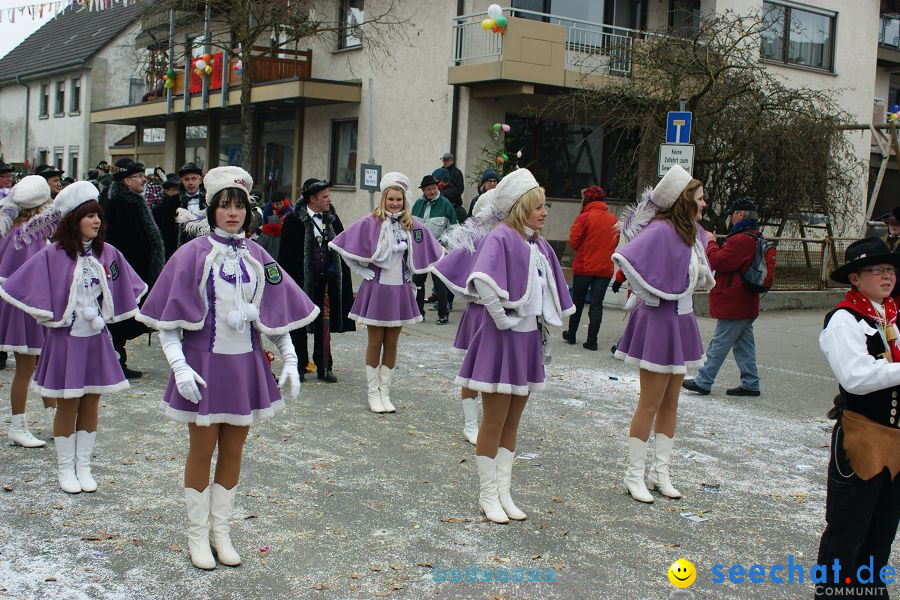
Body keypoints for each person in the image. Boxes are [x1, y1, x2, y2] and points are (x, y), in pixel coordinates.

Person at [137, 166, 318, 570]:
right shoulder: (191, 253)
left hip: (245, 366)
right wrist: (180, 367)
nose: (232, 213)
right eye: (224, 205)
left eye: (238, 205)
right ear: (212, 209)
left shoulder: (258, 255)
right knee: (201, 449)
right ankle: (197, 535)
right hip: (202, 366)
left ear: (247, 210)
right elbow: (170, 322)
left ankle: (223, 531)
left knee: (235, 449)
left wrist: (289, 355)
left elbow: (273, 313)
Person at [0, 181, 147, 493]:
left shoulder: (107, 253)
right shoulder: (52, 255)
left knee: (92, 402)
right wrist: (48, 314)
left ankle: (84, 465)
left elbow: (128, 285)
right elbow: (17, 285)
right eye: (89, 215)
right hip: (66, 341)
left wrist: (111, 311)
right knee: (68, 404)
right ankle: (66, 469)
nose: (96, 221)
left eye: (98, 216)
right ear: (72, 219)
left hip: (96, 340)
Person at [452, 168, 574, 524]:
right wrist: (499, 316)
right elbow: (483, 279)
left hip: (527, 342)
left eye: (546, 205)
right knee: (494, 421)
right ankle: (488, 494)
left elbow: (548, 288)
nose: (545, 212)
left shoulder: (536, 243)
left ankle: (504, 491)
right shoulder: (501, 237)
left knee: (512, 424)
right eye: (538, 206)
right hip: (500, 341)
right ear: (520, 206)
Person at [611, 165, 715, 504]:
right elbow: (626, 260)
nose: (705, 203)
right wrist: (651, 294)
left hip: (682, 321)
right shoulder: (660, 230)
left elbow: (698, 275)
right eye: (700, 198)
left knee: (671, 401)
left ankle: (661, 471)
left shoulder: (694, 234)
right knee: (650, 402)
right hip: (658, 323)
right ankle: (634, 474)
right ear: (685, 200)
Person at [816, 237, 900, 599]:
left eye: (891, 269)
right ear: (855, 278)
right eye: (878, 270)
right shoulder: (844, 320)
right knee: (847, 531)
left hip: (896, 440)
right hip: (860, 436)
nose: (887, 276)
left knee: (882, 531)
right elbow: (856, 378)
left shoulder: (892, 315)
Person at [329, 172, 442, 413]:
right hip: (376, 289)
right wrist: (360, 269)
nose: (394, 204)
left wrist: (413, 275)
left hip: (400, 290)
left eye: (399, 200)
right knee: (375, 341)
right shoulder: (371, 221)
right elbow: (342, 245)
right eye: (391, 199)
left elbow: (430, 250)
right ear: (384, 199)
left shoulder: (411, 224)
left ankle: (385, 392)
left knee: (392, 343)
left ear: (404, 201)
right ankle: (373, 393)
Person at [431, 188, 502, 445]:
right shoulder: (477, 239)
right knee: (472, 371)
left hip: (503, 314)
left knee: (496, 371)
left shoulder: (513, 238)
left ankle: (491, 423)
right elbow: (450, 270)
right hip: (479, 313)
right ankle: (471, 424)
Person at [682, 197, 762, 397]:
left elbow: (719, 260)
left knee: (719, 342)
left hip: (735, 301)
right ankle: (751, 382)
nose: (731, 219)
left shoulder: (742, 239)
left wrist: (710, 243)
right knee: (744, 345)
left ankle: (704, 380)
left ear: (741, 215)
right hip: (745, 301)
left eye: (733, 214)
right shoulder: (752, 236)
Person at [277, 178, 355, 383]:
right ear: (312, 198)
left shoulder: (332, 219)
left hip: (327, 282)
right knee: (299, 324)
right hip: (301, 282)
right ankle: (300, 365)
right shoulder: (294, 221)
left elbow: (342, 246)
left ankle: (325, 366)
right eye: (325, 197)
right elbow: (285, 255)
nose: (329, 200)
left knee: (324, 325)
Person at [0, 176, 57, 447]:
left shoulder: (18, 230)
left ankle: (53, 419)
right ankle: (18, 425)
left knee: (41, 364)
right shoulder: (27, 235)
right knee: (27, 367)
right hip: (28, 307)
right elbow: (31, 276)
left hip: (27, 305)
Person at [104, 157, 165, 379]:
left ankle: (117, 360)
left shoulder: (133, 201)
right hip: (127, 270)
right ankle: (115, 361)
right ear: (126, 181)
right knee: (120, 317)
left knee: (127, 317)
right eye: (138, 176)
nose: (143, 180)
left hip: (137, 269)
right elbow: (122, 242)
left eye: (142, 176)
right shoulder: (120, 204)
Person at [563, 185, 619, 351]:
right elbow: (615, 243)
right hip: (604, 269)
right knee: (596, 304)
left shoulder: (584, 217)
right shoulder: (613, 220)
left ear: (587, 199)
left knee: (578, 301)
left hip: (584, 267)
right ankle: (591, 341)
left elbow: (573, 241)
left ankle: (571, 334)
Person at [411, 174, 458, 324]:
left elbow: (454, 228)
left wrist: (444, 244)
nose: (432, 191)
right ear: (423, 190)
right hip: (420, 251)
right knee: (417, 282)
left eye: (434, 188)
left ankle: (443, 315)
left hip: (438, 250)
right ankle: (419, 313)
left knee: (440, 283)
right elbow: (411, 226)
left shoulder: (445, 204)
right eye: (429, 189)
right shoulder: (417, 204)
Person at [153, 174, 182, 260]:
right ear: (166, 191)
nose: (178, 192)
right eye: (175, 190)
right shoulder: (158, 209)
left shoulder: (183, 205)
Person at [177, 162, 206, 246]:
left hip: (204, 245)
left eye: (194, 179)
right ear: (182, 181)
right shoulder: (173, 202)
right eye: (187, 179)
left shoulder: (209, 201)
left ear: (200, 180)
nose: (190, 183)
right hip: (182, 246)